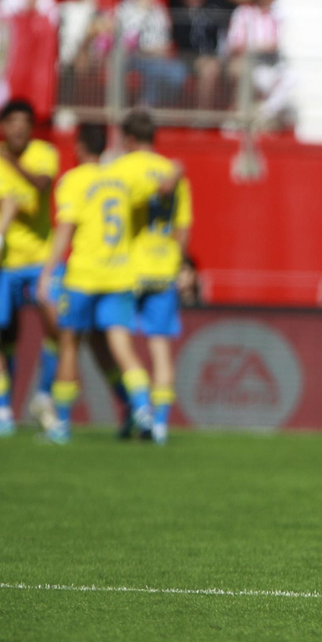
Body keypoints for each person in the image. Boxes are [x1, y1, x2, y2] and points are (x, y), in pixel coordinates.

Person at [37, 122, 179, 445]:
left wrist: (47, 272)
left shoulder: (72, 181)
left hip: (84, 276)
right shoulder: (121, 180)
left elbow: (65, 230)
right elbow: (163, 186)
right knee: (120, 346)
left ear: (78, 147)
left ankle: (60, 424)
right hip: (119, 277)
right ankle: (143, 410)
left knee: (69, 343)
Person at [0, 98, 62, 434]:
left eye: (25, 122)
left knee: (58, 324)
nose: (20, 128)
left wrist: (4, 159)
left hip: (39, 260)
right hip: (2, 264)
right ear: (1, 127)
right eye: (13, 122)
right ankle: (0, 411)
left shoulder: (43, 153)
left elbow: (41, 185)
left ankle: (45, 395)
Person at [115, 111, 193, 443]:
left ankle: (140, 405)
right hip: (163, 269)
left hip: (128, 269)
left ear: (128, 139)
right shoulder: (172, 173)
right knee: (160, 347)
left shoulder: (119, 170)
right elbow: (183, 226)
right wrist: (178, 264)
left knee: (119, 340)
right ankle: (159, 424)